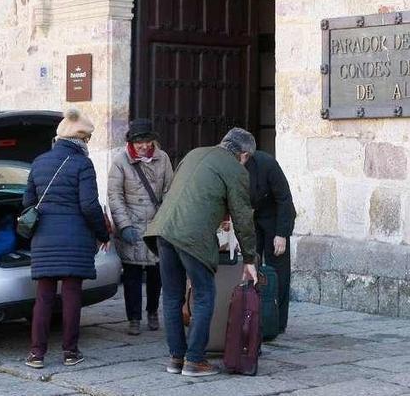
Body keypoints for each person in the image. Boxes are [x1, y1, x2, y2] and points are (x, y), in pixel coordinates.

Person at [144, 127, 258, 377]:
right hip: (190, 236)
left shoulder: (195, 153)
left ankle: (176, 358)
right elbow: (242, 216)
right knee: (205, 295)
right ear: (244, 155)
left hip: (163, 229)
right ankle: (195, 360)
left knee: (172, 297)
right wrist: (250, 258)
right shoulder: (236, 169)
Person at [23, 107, 110, 369]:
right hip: (74, 239)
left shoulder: (38, 162)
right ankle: (70, 353)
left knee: (44, 297)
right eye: (87, 140)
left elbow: (27, 202)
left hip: (44, 239)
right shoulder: (83, 163)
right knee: (72, 295)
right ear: (80, 140)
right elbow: (89, 206)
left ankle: (36, 354)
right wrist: (102, 233)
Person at [107, 119, 174, 336]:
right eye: (139, 143)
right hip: (132, 224)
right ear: (131, 143)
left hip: (156, 224)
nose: (144, 146)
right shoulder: (120, 161)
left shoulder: (162, 158)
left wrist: (164, 218)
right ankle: (133, 318)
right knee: (132, 275)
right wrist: (124, 225)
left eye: (147, 141)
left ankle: (153, 311)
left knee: (157, 273)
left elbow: (169, 189)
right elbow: (115, 196)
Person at [245, 150, 296, 333]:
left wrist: (281, 234)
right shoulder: (233, 164)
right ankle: (252, 316)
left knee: (278, 270)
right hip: (252, 219)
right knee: (252, 265)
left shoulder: (267, 164)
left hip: (275, 219)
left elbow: (284, 199)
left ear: (245, 154)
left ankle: (278, 322)